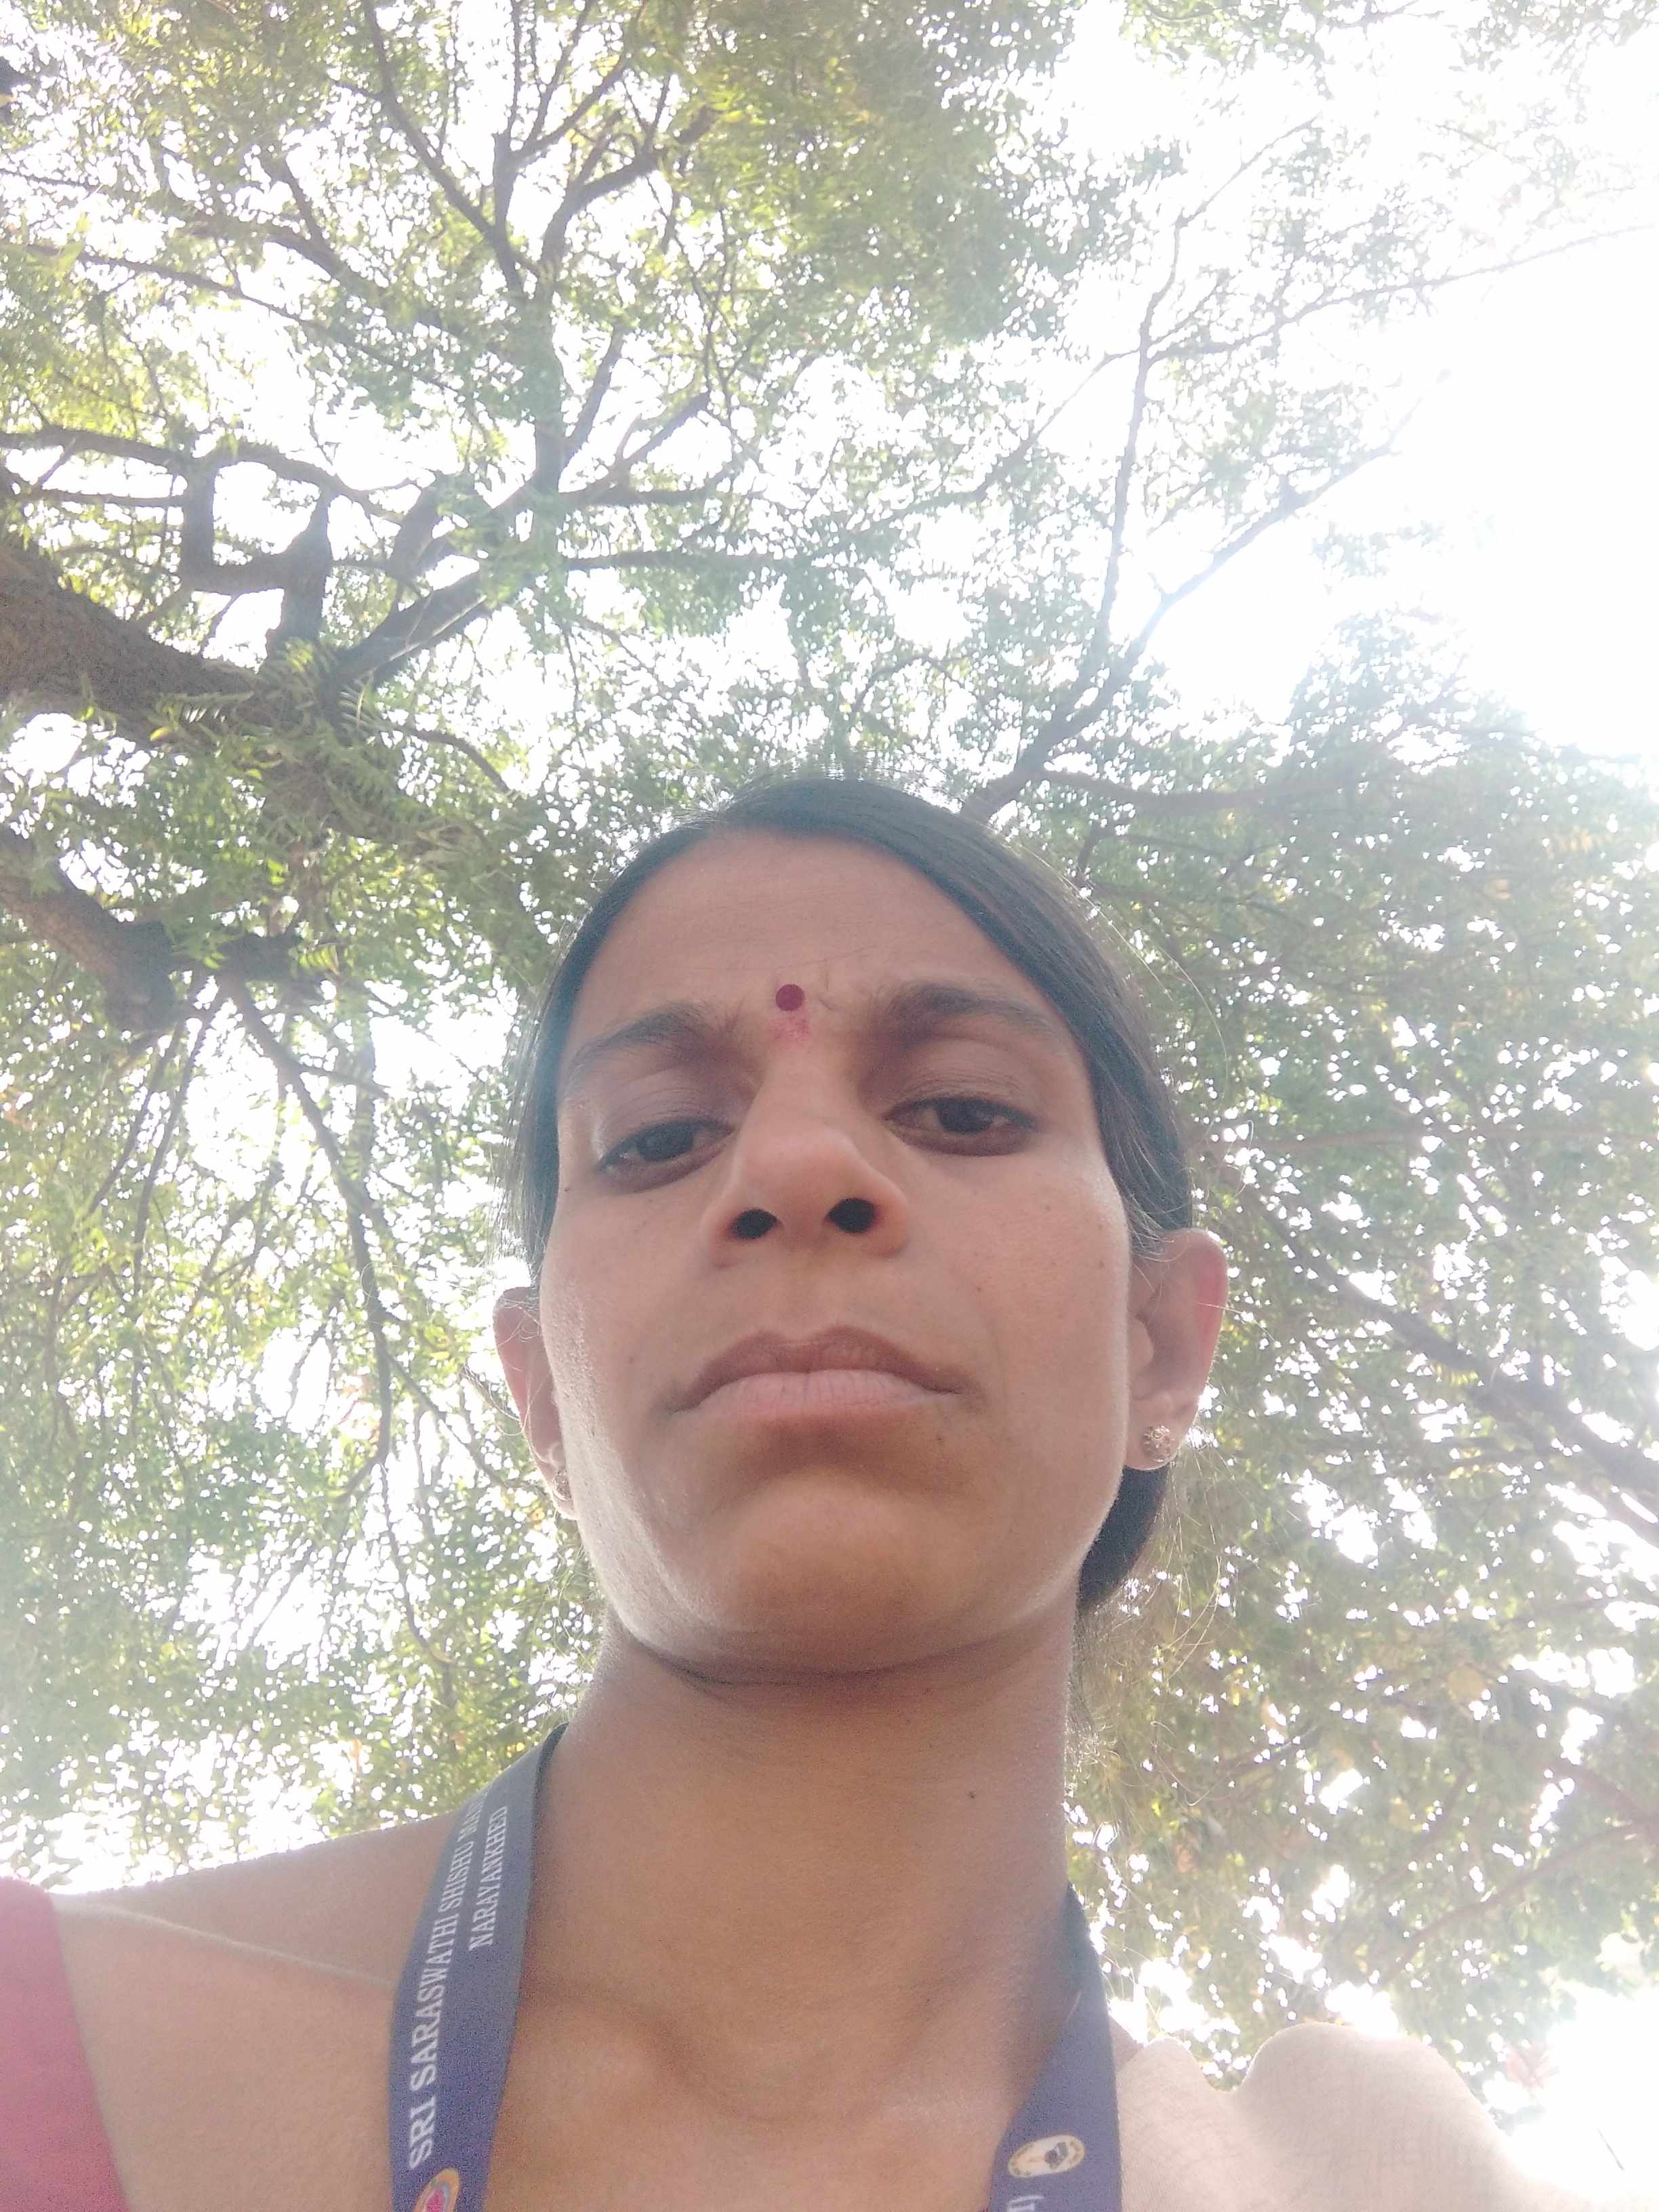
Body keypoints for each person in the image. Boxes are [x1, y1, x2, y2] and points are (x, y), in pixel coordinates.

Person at [1, 772, 1641, 2212]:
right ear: (542, 1395)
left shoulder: (1361, 2179)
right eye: (657, 1139)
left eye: (964, 1109)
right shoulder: (44, 2019)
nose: (796, 1168)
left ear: (1159, 1345)